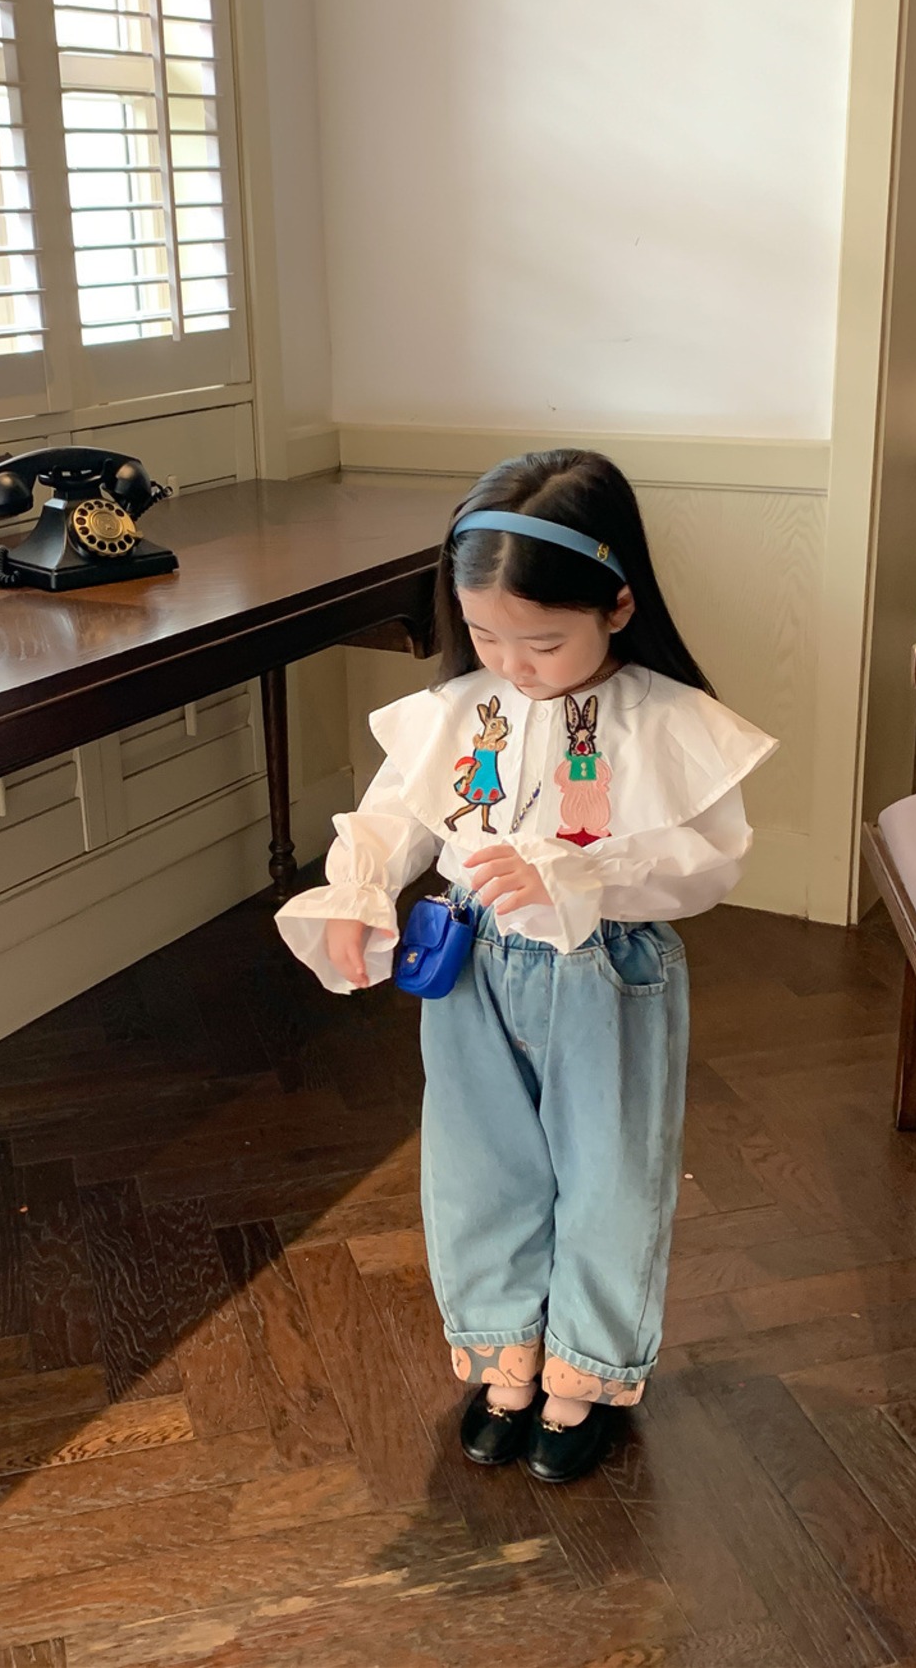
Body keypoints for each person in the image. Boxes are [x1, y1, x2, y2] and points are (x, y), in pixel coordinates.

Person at [276, 449, 777, 1483]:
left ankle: (583, 1373)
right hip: (471, 969)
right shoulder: (461, 708)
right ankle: (505, 1357)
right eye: (485, 634)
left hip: (606, 974)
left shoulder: (665, 719)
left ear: (618, 604)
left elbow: (707, 861)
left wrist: (580, 878)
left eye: (543, 641)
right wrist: (356, 892)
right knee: (477, 1166)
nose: (513, 664)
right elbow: (395, 814)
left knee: (609, 1175)